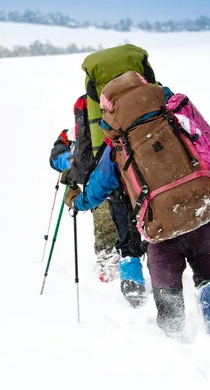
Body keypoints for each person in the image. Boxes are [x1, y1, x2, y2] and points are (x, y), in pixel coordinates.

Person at [63, 82, 210, 338]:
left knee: (167, 293)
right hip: (200, 215)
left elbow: (98, 188)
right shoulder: (178, 121)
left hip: (160, 230)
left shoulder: (118, 145)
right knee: (208, 271)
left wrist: (77, 202)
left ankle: (172, 330)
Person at [49, 95, 147, 307]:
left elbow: (61, 161)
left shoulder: (85, 131)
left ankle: (108, 263)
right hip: (133, 181)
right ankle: (142, 260)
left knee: (107, 224)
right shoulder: (123, 122)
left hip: (99, 184)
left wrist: (60, 148)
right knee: (135, 226)